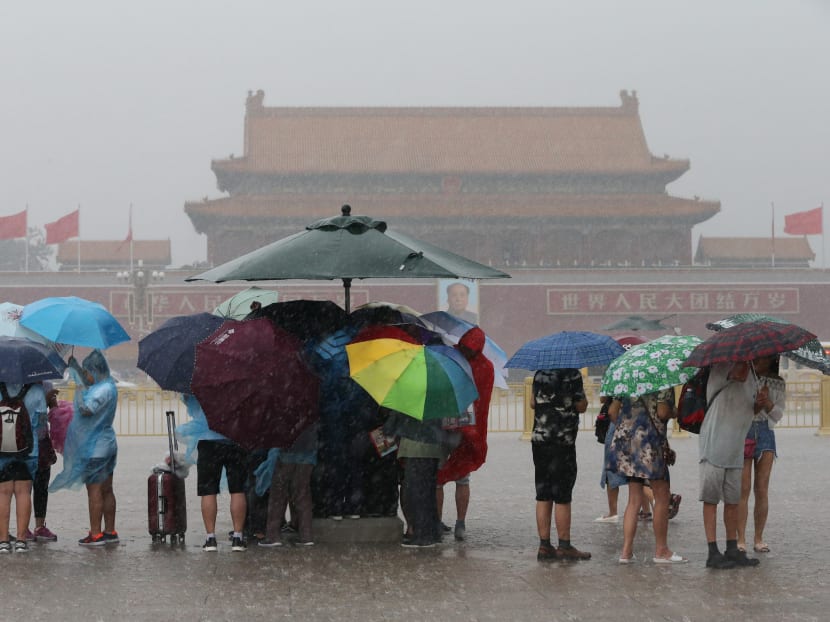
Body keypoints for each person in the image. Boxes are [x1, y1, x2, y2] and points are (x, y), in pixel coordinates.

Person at [49, 350, 120, 546]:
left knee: (95, 491)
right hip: (106, 444)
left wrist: (79, 387)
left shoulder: (102, 390)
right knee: (107, 489)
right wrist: (77, 369)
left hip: (95, 448)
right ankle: (109, 531)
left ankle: (96, 534)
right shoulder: (107, 386)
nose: (87, 376)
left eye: (88, 371)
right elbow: (91, 385)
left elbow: (86, 409)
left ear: (95, 370)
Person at [607, 391, 687, 564]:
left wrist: (630, 426)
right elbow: (662, 412)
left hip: (628, 443)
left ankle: (626, 552)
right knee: (662, 494)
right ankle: (661, 550)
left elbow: (612, 412)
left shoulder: (627, 379)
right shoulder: (660, 377)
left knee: (634, 498)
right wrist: (675, 411)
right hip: (650, 444)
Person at [698, 360, 762, 569]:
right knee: (711, 498)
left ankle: (732, 548)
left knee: (733, 500)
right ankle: (712, 551)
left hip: (736, 445)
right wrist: (743, 363)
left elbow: (749, 407)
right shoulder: (721, 365)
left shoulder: (752, 371)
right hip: (715, 443)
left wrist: (761, 402)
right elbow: (738, 375)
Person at [436, 327, 494, 541]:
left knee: (443, 477)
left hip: (447, 426)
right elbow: (482, 402)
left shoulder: (450, 358)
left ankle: (441, 521)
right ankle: (456, 523)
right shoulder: (486, 366)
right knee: (459, 477)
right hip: (467, 429)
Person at [530, 368, 591, 561]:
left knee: (543, 492)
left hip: (539, 440)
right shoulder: (572, 374)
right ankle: (564, 545)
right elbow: (581, 406)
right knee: (562, 494)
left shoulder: (539, 374)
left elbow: (533, 403)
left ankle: (544, 545)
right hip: (562, 440)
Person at [178, 395, 249, 552]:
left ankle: (210, 539)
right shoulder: (239, 383)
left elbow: (190, 404)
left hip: (208, 442)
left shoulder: (201, 383)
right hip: (235, 440)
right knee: (238, 490)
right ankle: (238, 537)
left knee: (208, 491)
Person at [737, 354, 784, 554]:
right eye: (756, 358)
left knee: (762, 488)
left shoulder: (777, 383)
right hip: (745, 429)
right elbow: (738, 407)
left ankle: (758, 537)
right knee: (743, 488)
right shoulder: (745, 377)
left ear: (772, 360)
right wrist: (755, 402)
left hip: (766, 432)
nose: (758, 362)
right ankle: (740, 539)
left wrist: (767, 403)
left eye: (763, 358)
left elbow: (778, 414)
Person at [0, 382, 45, 553]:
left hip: (2, 450)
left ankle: (3, 542)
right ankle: (21, 541)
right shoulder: (36, 390)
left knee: (3, 494)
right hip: (28, 450)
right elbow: (42, 426)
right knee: (23, 493)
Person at [259, 422, 319, 547]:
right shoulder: (310, 404)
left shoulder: (283, 404)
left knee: (278, 494)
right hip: (308, 448)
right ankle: (306, 536)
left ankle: (273, 536)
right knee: (303, 494)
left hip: (285, 450)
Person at [28, 385, 61, 542]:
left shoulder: (47, 385)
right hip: (26, 441)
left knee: (38, 486)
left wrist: (51, 402)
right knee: (23, 487)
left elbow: (54, 413)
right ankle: (27, 527)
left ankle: (37, 526)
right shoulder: (12, 384)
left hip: (35, 442)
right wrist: (45, 400)